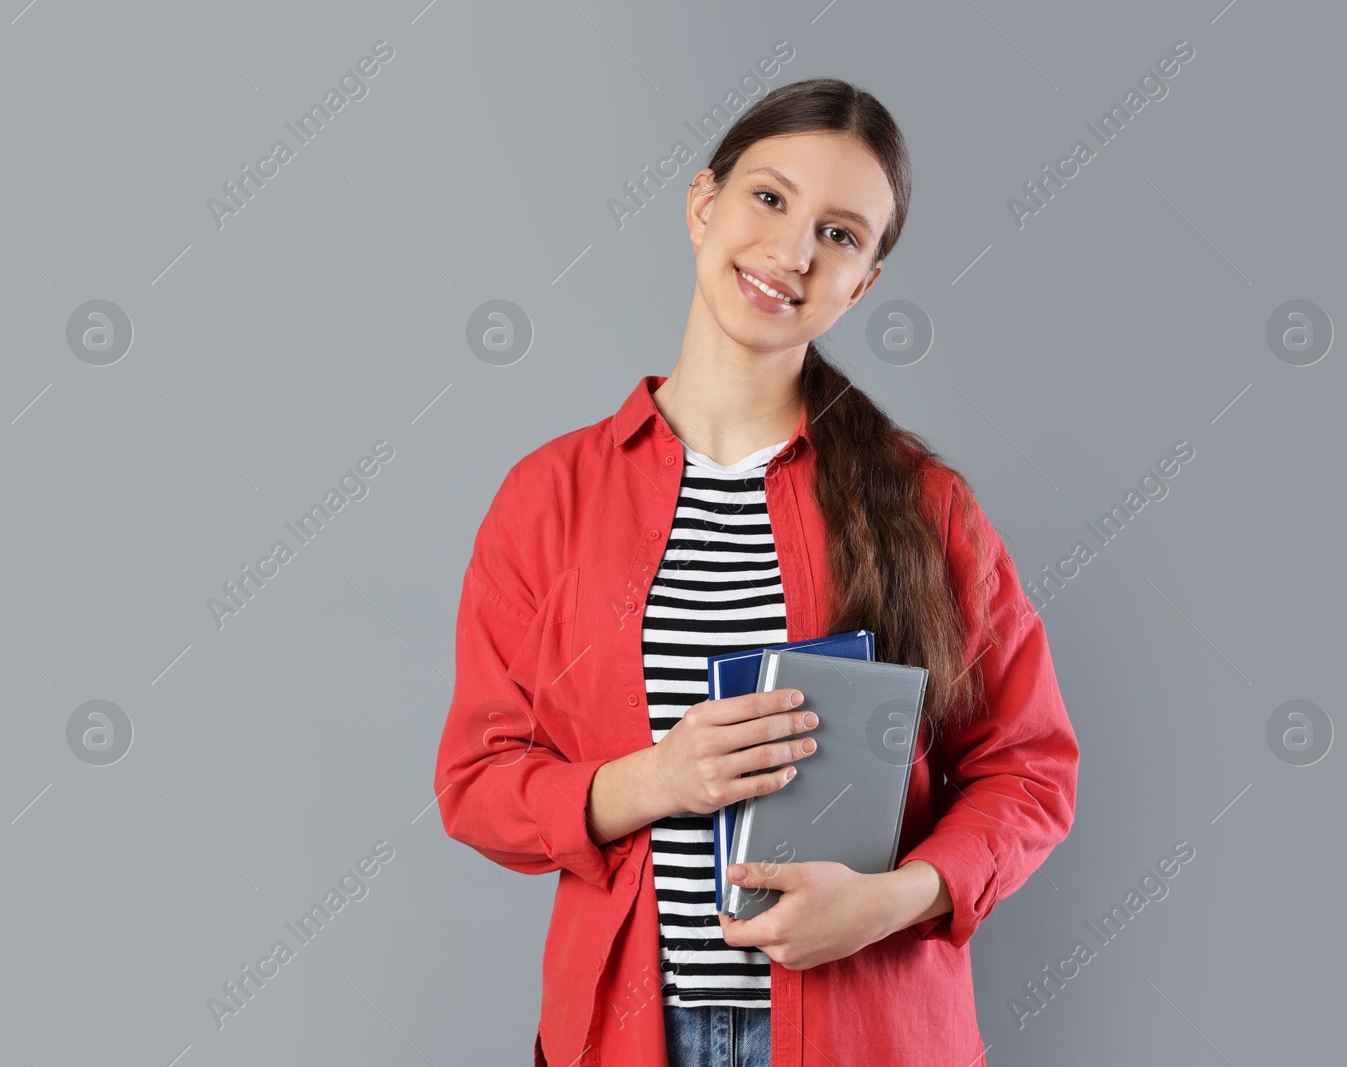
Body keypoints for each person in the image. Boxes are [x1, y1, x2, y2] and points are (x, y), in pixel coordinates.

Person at [434, 77, 1080, 1067]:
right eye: (770, 200)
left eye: (840, 233)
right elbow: (477, 781)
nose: (791, 252)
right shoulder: (548, 496)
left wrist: (892, 898)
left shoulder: (924, 503)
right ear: (703, 205)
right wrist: (653, 778)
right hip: (626, 1037)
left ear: (861, 282)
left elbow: (1029, 767)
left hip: (867, 1036)